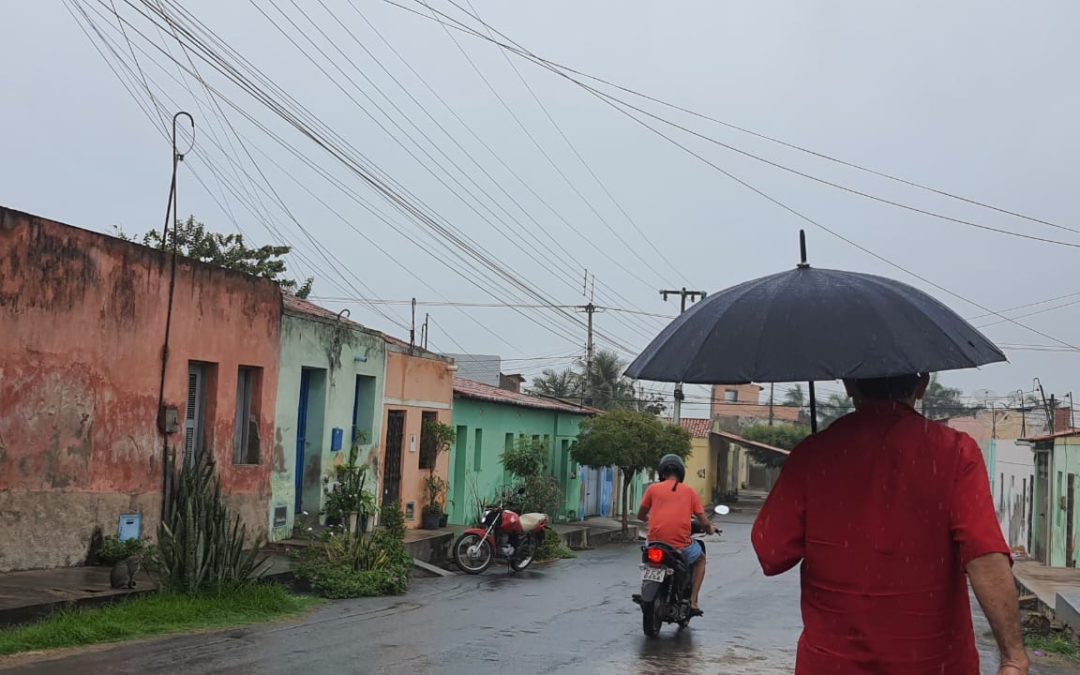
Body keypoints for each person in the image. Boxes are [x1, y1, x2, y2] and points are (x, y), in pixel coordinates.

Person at [752, 373, 1029, 675]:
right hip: (935, 666)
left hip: (831, 665)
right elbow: (984, 556)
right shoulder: (956, 452)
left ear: (848, 385)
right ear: (922, 385)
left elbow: (771, 552)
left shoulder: (813, 453)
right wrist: (1013, 657)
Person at [638, 454, 717, 614]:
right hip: (679, 546)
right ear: (681, 473)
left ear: (662, 472)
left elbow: (640, 515)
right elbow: (703, 520)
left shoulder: (652, 489)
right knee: (700, 558)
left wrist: (652, 520)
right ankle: (693, 602)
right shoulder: (690, 492)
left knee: (647, 557)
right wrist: (710, 529)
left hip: (653, 543)